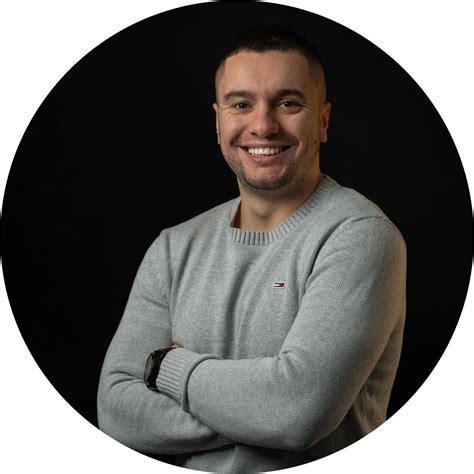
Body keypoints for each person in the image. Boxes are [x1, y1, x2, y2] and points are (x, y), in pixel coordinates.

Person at [97, 26, 407, 472]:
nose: (263, 125)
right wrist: (264, 407)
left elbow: (297, 411)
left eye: (289, 103)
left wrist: (167, 367)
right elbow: (115, 409)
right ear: (218, 122)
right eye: (241, 104)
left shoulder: (359, 236)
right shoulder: (173, 249)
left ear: (323, 121)